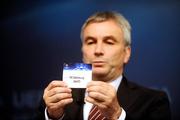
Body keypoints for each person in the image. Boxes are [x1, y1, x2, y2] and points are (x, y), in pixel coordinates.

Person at [35, 11, 171, 120]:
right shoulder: (57, 100)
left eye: (109, 42)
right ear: (82, 50)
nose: (98, 50)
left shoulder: (154, 101)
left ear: (126, 53)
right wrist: (53, 116)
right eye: (90, 42)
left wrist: (117, 116)